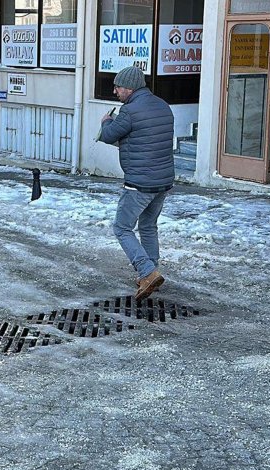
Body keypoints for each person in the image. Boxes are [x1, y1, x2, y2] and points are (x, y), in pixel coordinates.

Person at [97, 66, 175, 301]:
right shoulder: (163, 105)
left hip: (139, 182)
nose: (115, 91)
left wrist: (106, 121)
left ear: (129, 88)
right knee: (149, 226)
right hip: (163, 181)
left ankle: (147, 271)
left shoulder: (129, 112)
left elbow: (108, 136)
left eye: (118, 87)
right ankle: (151, 273)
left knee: (122, 227)